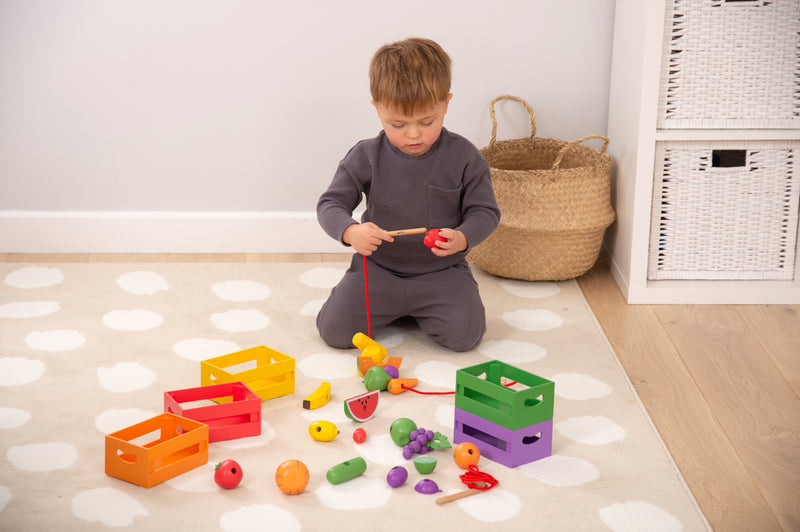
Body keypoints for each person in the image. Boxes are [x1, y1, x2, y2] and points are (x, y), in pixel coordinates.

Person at [315, 37, 500, 352]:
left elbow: (485, 211)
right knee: (334, 331)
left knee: (465, 336)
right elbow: (330, 203)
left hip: (441, 272)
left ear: (446, 103)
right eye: (397, 124)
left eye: (427, 122)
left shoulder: (464, 156)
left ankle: (419, 308)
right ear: (377, 109)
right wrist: (350, 232)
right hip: (379, 270)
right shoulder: (366, 155)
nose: (413, 134)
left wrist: (463, 238)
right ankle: (399, 308)